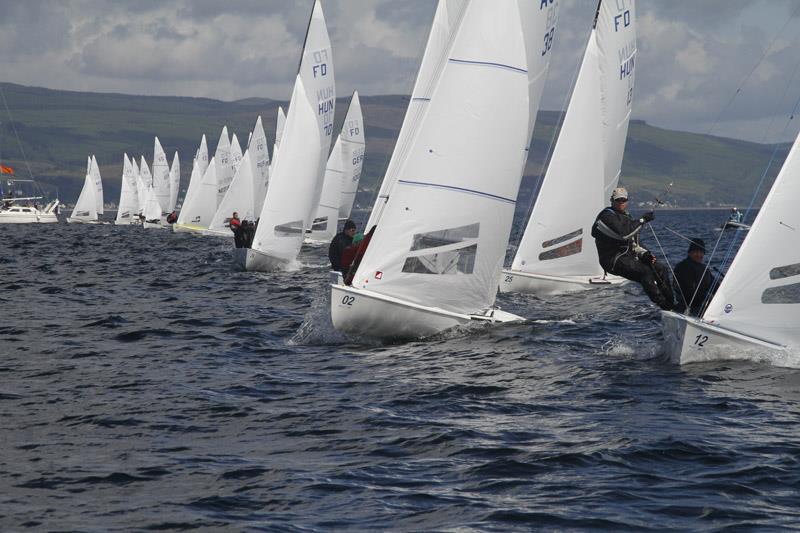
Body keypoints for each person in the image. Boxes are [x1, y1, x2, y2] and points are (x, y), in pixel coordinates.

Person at [591, 187, 675, 310]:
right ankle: (664, 305)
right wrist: (643, 220)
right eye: (618, 200)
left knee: (661, 269)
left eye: (623, 200)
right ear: (612, 201)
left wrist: (645, 254)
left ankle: (672, 303)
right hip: (612, 260)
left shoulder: (627, 217)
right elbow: (624, 233)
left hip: (627, 256)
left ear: (627, 201)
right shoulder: (607, 216)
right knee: (645, 272)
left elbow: (634, 243)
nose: (621, 202)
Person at [673, 238, 721, 316]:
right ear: (689, 253)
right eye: (696, 252)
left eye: (701, 252)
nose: (699, 255)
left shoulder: (704, 269)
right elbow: (688, 292)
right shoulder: (683, 267)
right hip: (687, 308)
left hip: (704, 306)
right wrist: (707, 297)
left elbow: (715, 286)